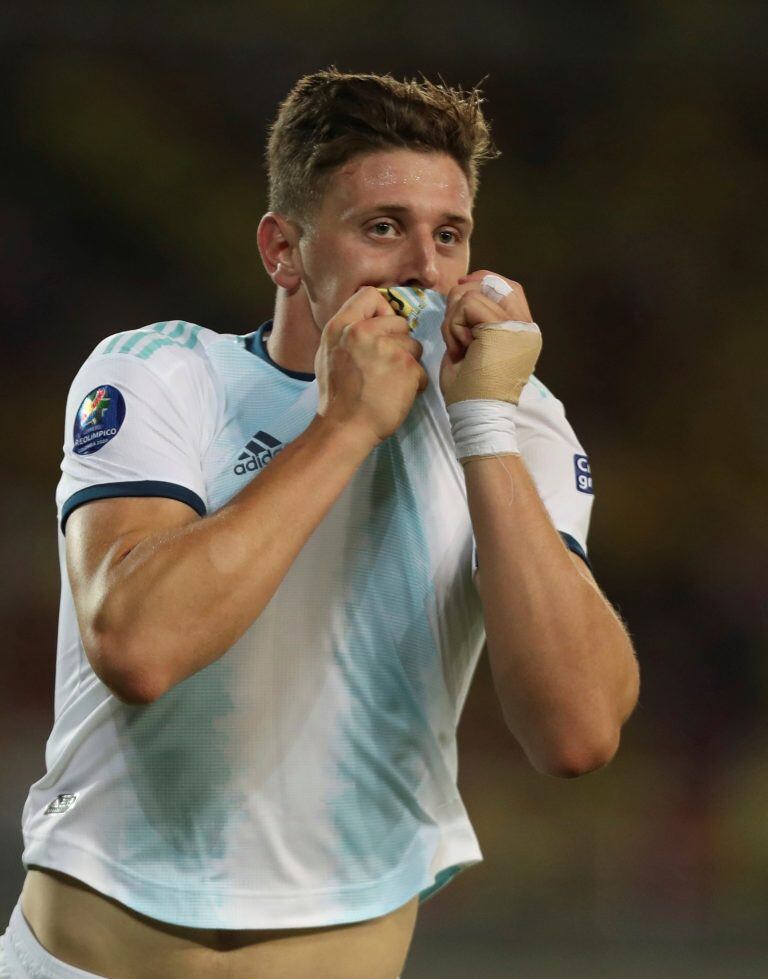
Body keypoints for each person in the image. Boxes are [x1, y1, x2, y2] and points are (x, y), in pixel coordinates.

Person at [0, 69, 639, 979]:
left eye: (447, 235)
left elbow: (576, 733)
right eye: (383, 227)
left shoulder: (512, 417)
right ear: (284, 250)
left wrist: (485, 428)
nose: (422, 267)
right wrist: (342, 426)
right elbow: (138, 646)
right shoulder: (164, 373)